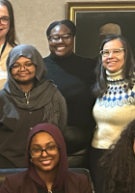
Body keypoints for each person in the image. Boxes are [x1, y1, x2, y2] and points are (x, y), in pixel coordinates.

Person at [0, 44, 67, 169]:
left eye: (28, 64)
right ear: (9, 68)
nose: (22, 69)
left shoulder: (53, 95)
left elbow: (60, 129)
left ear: (37, 66)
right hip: (5, 166)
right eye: (16, 65)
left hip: (43, 165)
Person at [90, 34, 135, 192]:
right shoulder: (101, 86)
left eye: (116, 51)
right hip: (98, 153)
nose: (110, 56)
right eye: (106, 53)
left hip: (125, 156)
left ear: (126, 54)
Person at [42, 20, 97, 169]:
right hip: (46, 146)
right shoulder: (39, 68)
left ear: (73, 38)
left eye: (66, 36)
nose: (61, 41)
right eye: (55, 37)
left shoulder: (90, 67)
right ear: (48, 40)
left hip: (82, 148)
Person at [0, 123, 92, 193]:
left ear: (61, 150)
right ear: (30, 155)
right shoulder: (12, 185)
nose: (44, 154)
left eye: (50, 147)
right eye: (36, 149)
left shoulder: (80, 183)